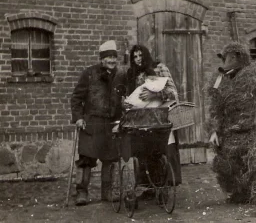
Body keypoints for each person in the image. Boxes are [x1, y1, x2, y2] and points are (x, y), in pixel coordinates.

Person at [70, 40, 125, 206]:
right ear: (101, 59)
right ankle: (81, 192)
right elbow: (76, 98)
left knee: (110, 158)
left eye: (114, 57)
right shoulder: (89, 73)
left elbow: (125, 96)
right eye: (108, 57)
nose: (111, 60)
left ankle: (107, 192)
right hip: (91, 123)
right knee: (86, 158)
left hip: (111, 123)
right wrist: (78, 117)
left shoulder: (120, 75)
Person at [125, 44, 182, 186]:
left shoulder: (159, 68)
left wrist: (155, 94)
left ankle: (166, 186)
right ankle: (148, 186)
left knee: (164, 149)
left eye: (140, 55)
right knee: (144, 151)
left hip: (161, 116)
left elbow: (173, 92)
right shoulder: (133, 73)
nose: (138, 59)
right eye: (135, 57)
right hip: (143, 118)